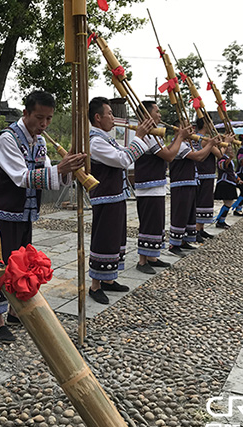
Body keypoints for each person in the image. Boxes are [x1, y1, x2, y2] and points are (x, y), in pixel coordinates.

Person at [0, 90, 85, 341]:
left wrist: (66, 170)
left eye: (49, 119)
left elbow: (47, 171)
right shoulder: (7, 139)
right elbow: (21, 177)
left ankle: (18, 310)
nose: (44, 124)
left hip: (24, 214)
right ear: (25, 112)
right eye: (40, 118)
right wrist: (59, 169)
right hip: (1, 215)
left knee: (22, 264)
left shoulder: (38, 142)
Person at [87, 96, 153, 304]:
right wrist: (139, 136)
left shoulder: (106, 138)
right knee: (104, 239)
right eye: (109, 114)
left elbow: (123, 154)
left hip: (115, 195)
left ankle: (109, 279)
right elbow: (123, 159)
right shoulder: (95, 142)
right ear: (98, 118)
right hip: (104, 198)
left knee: (116, 238)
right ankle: (95, 285)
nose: (112, 118)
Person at [134, 101, 192, 274]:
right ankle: (142, 261)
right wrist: (179, 138)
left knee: (157, 222)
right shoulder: (147, 135)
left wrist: (179, 138)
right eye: (157, 112)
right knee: (149, 222)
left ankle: (152, 256)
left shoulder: (154, 134)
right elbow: (168, 156)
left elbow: (166, 151)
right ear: (146, 115)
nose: (160, 115)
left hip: (155, 185)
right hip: (148, 185)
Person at [168, 122, 220, 257]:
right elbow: (197, 156)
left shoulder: (188, 143)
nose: (191, 129)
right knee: (180, 213)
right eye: (187, 127)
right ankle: (174, 243)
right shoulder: (178, 144)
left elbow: (201, 157)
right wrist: (210, 144)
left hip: (190, 182)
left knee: (188, 214)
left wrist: (210, 144)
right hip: (180, 184)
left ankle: (184, 240)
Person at [194, 118, 224, 242]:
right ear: (205, 124)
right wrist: (225, 143)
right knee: (202, 202)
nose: (213, 125)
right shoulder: (204, 140)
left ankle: (200, 229)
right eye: (211, 122)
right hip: (204, 173)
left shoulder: (199, 137)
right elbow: (220, 154)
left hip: (205, 174)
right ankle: (196, 230)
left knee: (204, 202)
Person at [214, 143, 243, 228]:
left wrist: (238, 179)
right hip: (225, 182)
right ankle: (220, 221)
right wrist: (230, 158)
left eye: (230, 146)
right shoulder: (221, 157)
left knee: (228, 203)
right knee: (228, 202)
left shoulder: (226, 157)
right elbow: (223, 166)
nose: (230, 148)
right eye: (228, 146)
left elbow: (232, 172)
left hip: (230, 182)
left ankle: (221, 220)